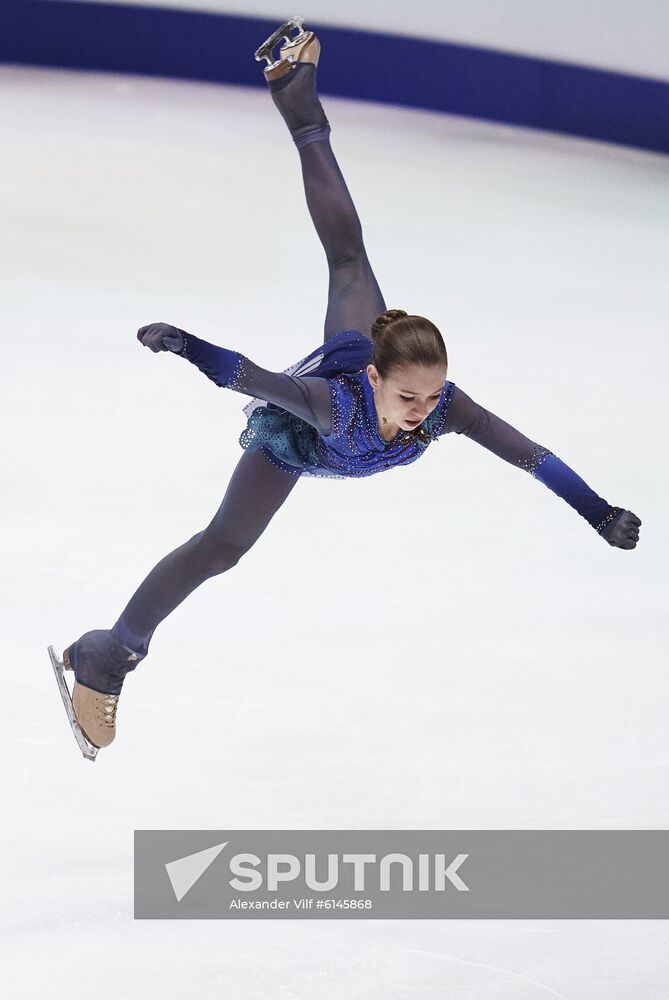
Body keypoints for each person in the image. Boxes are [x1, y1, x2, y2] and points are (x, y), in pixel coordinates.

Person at [50, 18, 641, 759]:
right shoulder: (333, 405)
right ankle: (111, 652)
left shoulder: (443, 407)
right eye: (409, 398)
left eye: (433, 396)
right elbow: (251, 377)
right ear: (374, 378)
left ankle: (297, 95)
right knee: (223, 545)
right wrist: (184, 342)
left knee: (348, 258)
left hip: (365, 356)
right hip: (305, 436)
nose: (423, 413)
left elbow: (531, 456)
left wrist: (596, 511)